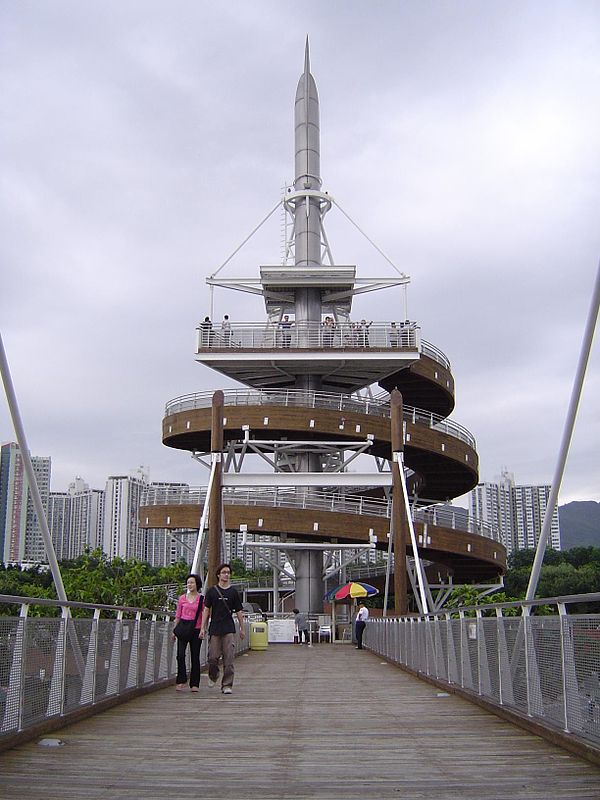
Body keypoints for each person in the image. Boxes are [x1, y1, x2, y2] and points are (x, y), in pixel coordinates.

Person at [200, 563, 245, 694]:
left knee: (229, 658)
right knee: (213, 657)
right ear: (218, 575)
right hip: (215, 628)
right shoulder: (212, 591)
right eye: (224, 572)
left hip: (229, 628)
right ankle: (213, 675)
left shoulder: (233, 592)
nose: (226, 575)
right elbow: (206, 610)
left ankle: (227, 685)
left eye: (228, 572)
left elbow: (239, 611)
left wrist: (242, 628)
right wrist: (203, 627)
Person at [173, 574, 204, 692]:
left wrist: (203, 629)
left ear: (197, 584)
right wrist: (174, 630)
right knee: (180, 655)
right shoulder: (182, 598)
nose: (190, 585)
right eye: (188, 583)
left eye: (192, 582)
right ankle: (181, 680)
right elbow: (178, 615)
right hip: (183, 628)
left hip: (196, 629)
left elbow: (204, 615)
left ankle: (195, 683)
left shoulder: (202, 599)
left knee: (195, 656)